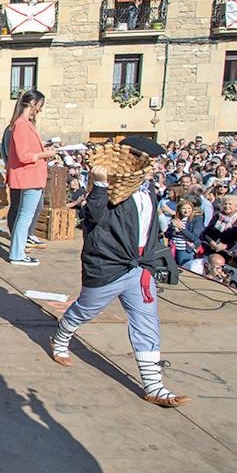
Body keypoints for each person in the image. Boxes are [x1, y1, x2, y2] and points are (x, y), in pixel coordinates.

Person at [49, 136, 189, 408]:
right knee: (85, 309)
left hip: (140, 267)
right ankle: (61, 338)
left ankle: (154, 386)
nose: (154, 167)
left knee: (146, 322)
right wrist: (100, 185)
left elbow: (149, 228)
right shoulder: (111, 190)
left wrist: (152, 259)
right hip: (109, 266)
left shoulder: (148, 189)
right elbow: (92, 217)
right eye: (150, 162)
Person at [6, 90, 56, 265]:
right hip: (30, 176)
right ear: (34, 104)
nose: (40, 110)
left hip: (31, 176)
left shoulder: (23, 123)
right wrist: (44, 154)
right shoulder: (21, 124)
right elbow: (24, 155)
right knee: (25, 216)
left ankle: (17, 252)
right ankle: (17, 254)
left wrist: (43, 149)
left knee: (24, 215)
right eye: (40, 106)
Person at [201, 194, 237, 263]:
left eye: (230, 204)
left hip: (228, 254)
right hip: (210, 250)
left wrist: (225, 246)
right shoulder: (217, 216)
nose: (227, 206)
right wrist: (211, 242)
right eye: (225, 204)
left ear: (236, 207)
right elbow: (206, 233)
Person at [166, 200, 204, 266]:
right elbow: (167, 234)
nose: (186, 211)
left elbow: (194, 237)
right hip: (173, 248)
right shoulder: (176, 218)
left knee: (184, 267)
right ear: (179, 209)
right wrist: (174, 231)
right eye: (183, 208)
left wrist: (182, 229)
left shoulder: (196, 219)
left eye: (189, 208)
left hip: (185, 250)